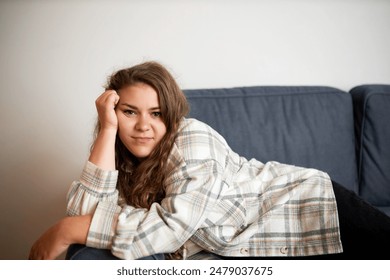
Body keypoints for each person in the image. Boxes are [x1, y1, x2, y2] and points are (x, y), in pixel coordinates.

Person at [29, 61, 390, 260]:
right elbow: (86, 212)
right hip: (272, 247)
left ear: (171, 114)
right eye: (128, 112)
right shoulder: (120, 156)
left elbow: (169, 228)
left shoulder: (192, 138)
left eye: (156, 113)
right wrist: (107, 130)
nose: (142, 126)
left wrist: (66, 230)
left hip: (314, 208)